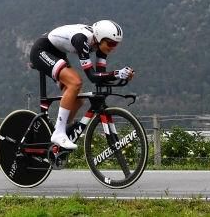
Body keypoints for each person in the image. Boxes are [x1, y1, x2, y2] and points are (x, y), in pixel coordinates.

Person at [29, 20, 134, 150]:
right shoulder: (81, 39)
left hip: (57, 53)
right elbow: (92, 76)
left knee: (78, 101)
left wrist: (121, 76)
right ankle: (59, 133)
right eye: (111, 43)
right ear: (100, 38)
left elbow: (100, 76)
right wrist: (117, 73)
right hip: (42, 51)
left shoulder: (100, 45)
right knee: (75, 82)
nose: (113, 48)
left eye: (116, 44)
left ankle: (57, 134)